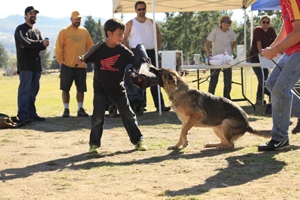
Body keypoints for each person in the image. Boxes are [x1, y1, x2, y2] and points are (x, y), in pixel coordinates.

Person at [75, 18, 147, 153]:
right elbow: (85, 57)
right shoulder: (98, 48)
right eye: (119, 34)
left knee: (128, 114)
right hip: (100, 87)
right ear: (109, 34)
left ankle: (138, 140)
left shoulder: (123, 51)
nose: (122, 37)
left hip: (118, 88)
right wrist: (80, 59)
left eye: (123, 34)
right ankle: (94, 144)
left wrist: (142, 64)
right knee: (97, 117)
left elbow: (136, 64)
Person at [258, 0, 300, 151]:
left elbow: (298, 32)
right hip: (292, 51)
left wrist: (275, 50)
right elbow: (286, 27)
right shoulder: (284, 1)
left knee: (280, 89)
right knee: (272, 83)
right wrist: (273, 47)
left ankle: (280, 138)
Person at [123, 1, 170, 112]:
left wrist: (157, 49)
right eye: (139, 9)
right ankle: (140, 104)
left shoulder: (152, 22)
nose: (141, 11)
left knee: (155, 78)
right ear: (135, 10)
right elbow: (123, 39)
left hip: (151, 54)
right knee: (139, 79)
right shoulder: (130, 23)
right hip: (137, 54)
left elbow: (158, 36)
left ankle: (160, 105)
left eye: (143, 9)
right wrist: (131, 53)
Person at [14, 6, 50, 124]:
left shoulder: (37, 31)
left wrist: (34, 45)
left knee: (34, 91)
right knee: (25, 91)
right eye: (31, 13)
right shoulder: (20, 29)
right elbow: (26, 42)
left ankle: (31, 113)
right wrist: (39, 44)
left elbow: (40, 47)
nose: (33, 15)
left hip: (36, 67)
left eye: (35, 13)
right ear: (25, 15)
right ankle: (22, 115)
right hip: (25, 66)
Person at [55, 11, 94, 118]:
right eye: (76, 19)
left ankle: (80, 109)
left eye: (79, 19)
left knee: (81, 89)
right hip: (67, 65)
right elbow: (59, 49)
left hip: (81, 66)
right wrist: (61, 63)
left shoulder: (84, 32)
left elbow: (91, 47)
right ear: (71, 19)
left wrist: (86, 60)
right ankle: (66, 109)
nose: (78, 21)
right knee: (65, 89)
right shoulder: (64, 32)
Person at [204, 16, 237, 100]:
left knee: (228, 80)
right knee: (214, 79)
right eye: (225, 22)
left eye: (229, 22)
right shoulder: (215, 31)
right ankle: (209, 98)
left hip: (227, 58)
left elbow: (234, 40)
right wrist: (209, 53)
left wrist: (231, 50)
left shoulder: (231, 32)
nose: (227, 24)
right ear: (221, 23)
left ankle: (227, 98)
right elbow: (207, 43)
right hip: (216, 58)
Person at [249, 15, 277, 106]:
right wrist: (261, 51)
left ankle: (259, 100)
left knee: (264, 78)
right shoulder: (257, 30)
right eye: (263, 22)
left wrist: (279, 50)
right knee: (262, 79)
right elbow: (258, 42)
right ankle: (272, 94)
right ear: (261, 23)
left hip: (266, 59)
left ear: (269, 23)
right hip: (255, 59)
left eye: (267, 22)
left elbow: (276, 41)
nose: (265, 24)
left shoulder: (271, 31)